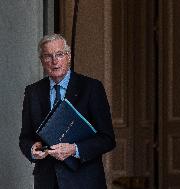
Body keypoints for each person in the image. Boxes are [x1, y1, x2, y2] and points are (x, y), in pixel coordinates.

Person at [19, 33, 116, 189]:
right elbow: (25, 138)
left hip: (84, 181)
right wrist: (32, 149)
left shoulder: (91, 88)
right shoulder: (33, 92)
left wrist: (74, 149)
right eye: (48, 56)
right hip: (46, 182)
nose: (55, 61)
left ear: (68, 57)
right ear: (42, 61)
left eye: (59, 54)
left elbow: (107, 139)